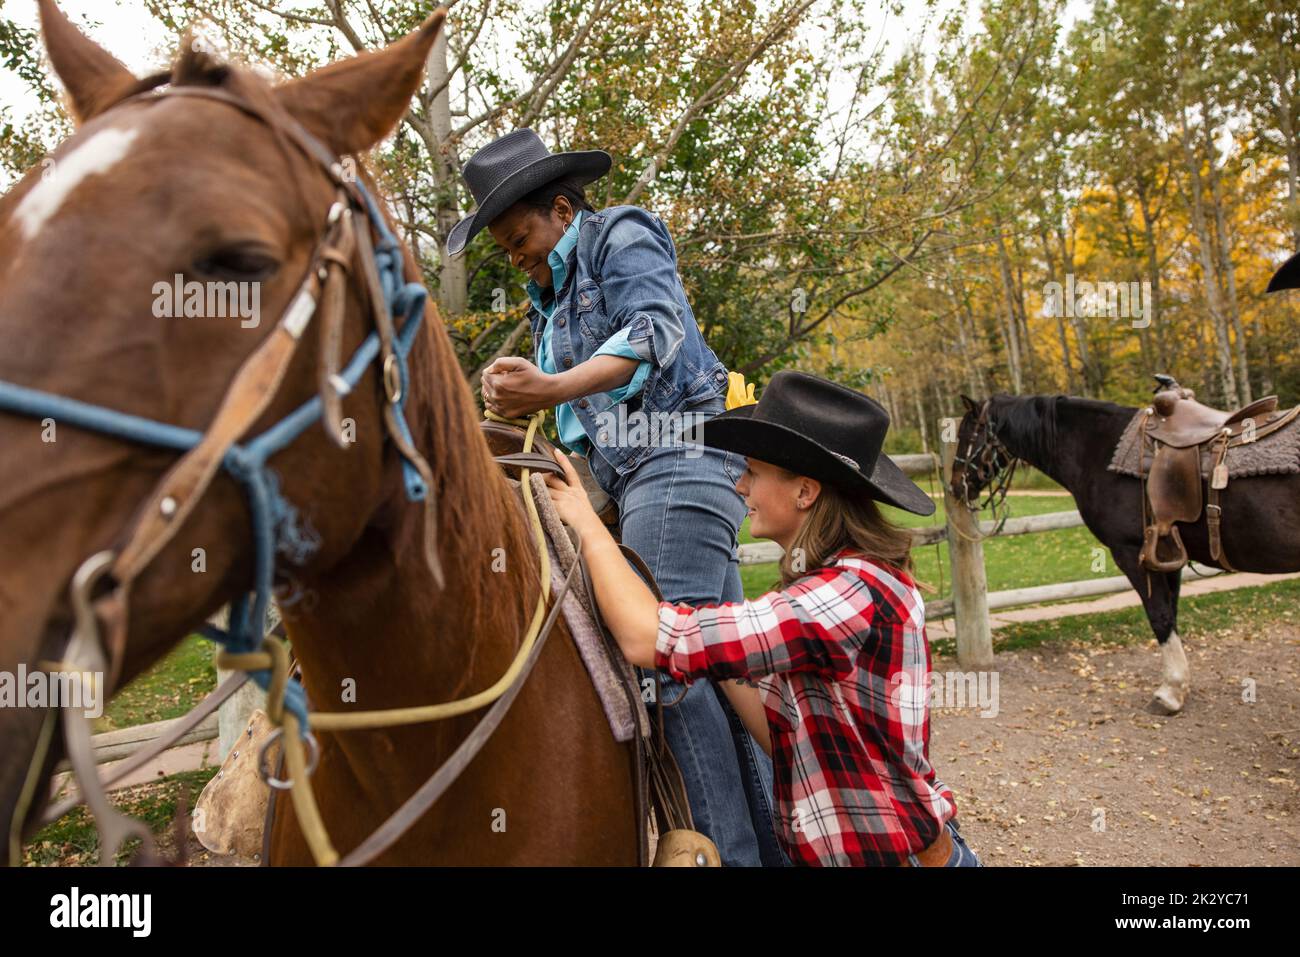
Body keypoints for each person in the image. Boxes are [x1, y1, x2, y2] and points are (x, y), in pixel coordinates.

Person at [448, 127, 786, 865]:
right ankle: (783, 844)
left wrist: (555, 384)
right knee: (726, 672)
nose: (517, 257)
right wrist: (513, 406)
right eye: (505, 250)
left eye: (520, 237)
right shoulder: (549, 301)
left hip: (684, 456)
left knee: (667, 664)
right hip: (639, 482)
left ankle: (724, 856)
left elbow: (656, 328)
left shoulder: (619, 233)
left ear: (564, 210)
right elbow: (581, 421)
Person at [544, 370, 981, 866]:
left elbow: (644, 639)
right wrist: (716, 639)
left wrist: (587, 526)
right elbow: (782, 736)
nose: (739, 483)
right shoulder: (843, 586)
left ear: (805, 492)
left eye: (754, 470)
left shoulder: (845, 596)